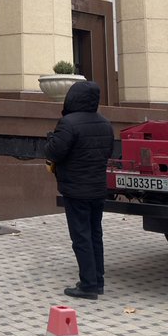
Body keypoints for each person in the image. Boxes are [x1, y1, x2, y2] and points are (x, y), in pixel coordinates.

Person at [45, 79, 115, 300]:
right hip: (97, 188)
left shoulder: (68, 123)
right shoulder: (105, 124)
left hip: (76, 190)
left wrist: (50, 139)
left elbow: (54, 152)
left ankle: (88, 285)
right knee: (95, 234)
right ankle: (98, 280)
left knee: (81, 237)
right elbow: (108, 152)